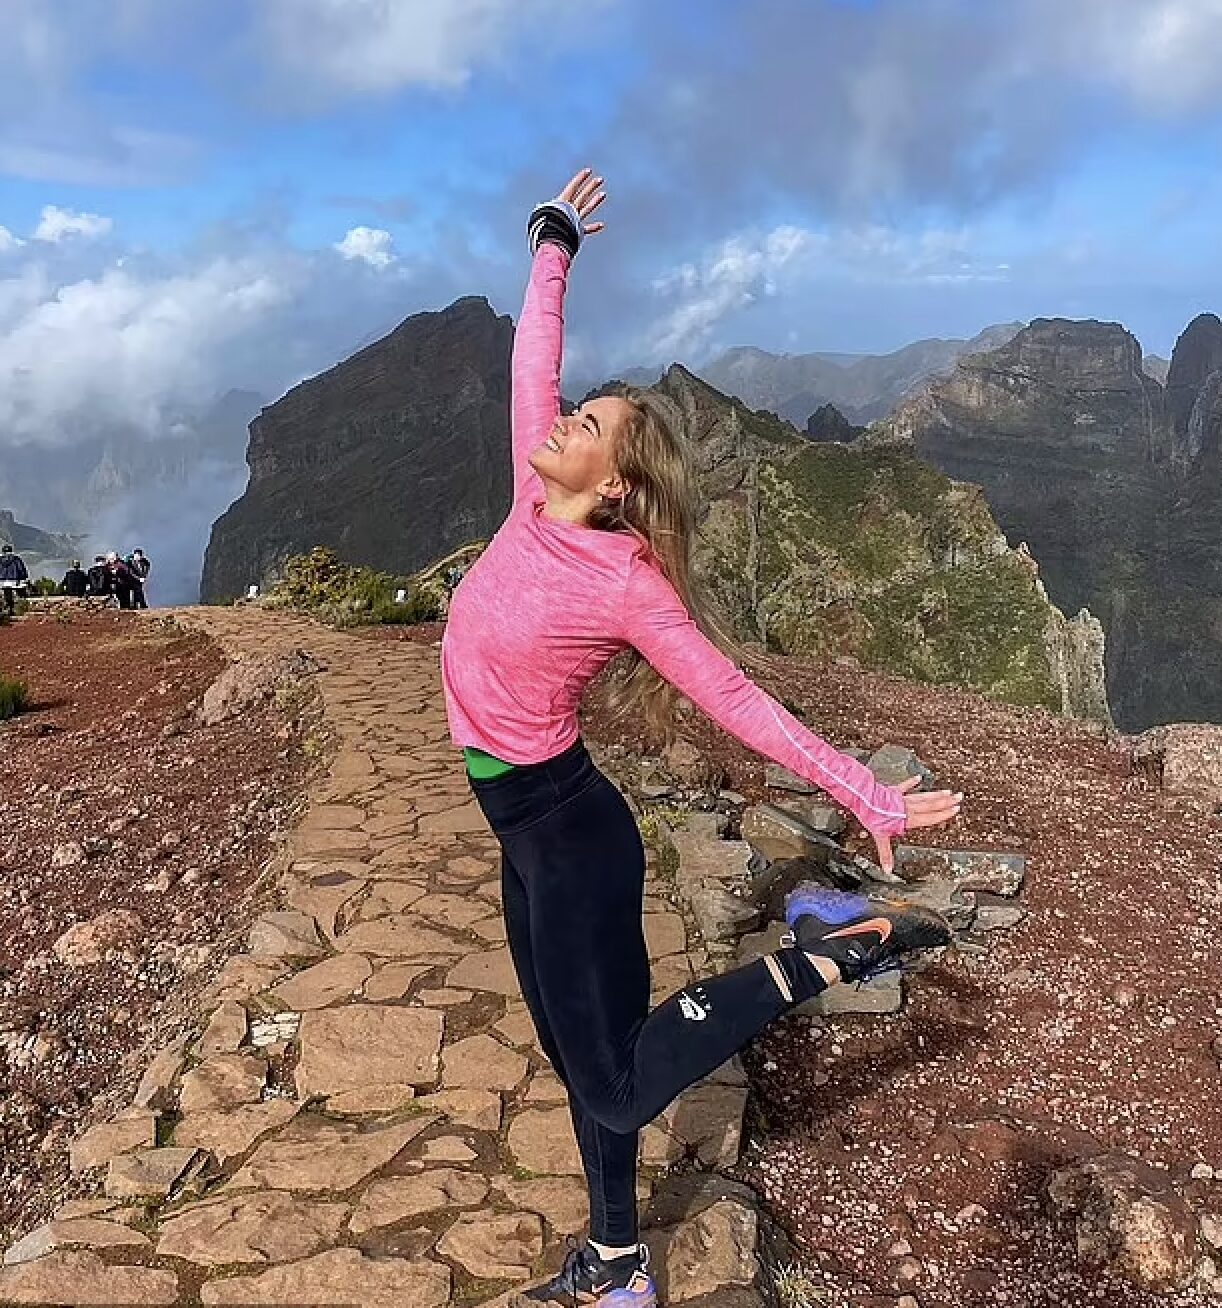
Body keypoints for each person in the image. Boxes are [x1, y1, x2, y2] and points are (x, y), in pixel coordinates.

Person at [438, 169, 963, 1308]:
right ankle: (618, 1267)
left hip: (569, 833)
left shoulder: (628, 586)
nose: (563, 418)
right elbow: (531, 359)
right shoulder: (534, 497)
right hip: (529, 834)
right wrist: (554, 242)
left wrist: (859, 793)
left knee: (619, 1085)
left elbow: (737, 701)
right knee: (587, 1062)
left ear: (617, 483)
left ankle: (833, 952)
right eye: (575, 413)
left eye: (588, 425)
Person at [0, 543, 29, 614]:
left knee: (7, 594)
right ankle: (22, 607)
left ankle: (10, 608)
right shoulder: (16, 559)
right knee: (21, 593)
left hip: (3, 580)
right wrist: (24, 577)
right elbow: (21, 569)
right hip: (15, 579)